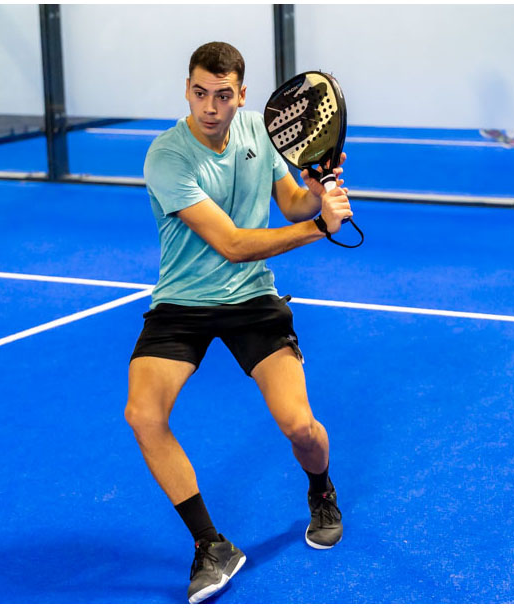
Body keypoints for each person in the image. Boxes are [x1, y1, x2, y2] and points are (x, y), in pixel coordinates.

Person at [124, 41, 352, 604]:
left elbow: (292, 202)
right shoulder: (167, 156)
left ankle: (321, 489)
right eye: (200, 92)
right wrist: (320, 228)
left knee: (300, 427)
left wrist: (317, 195)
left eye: (222, 95)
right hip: (182, 303)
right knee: (143, 415)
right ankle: (210, 544)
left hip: (253, 299)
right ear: (187, 89)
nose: (210, 106)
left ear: (242, 95)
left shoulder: (259, 133)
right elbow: (230, 243)